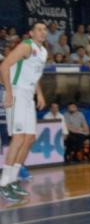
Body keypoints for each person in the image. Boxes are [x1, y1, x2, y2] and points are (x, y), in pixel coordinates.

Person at [0, 23, 48, 201]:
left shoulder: (43, 52)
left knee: (29, 138)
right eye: (39, 29)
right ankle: (3, 183)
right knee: (19, 137)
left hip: (28, 95)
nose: (43, 32)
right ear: (31, 33)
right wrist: (9, 92)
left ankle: (13, 180)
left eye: (44, 29)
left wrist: (39, 94)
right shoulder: (26, 46)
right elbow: (4, 66)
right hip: (17, 92)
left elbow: (35, 75)